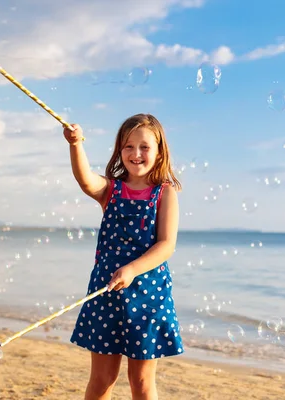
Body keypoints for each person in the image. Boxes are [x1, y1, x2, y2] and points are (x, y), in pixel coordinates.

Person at [63, 114, 184, 400]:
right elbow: (85, 180)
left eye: (144, 147)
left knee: (141, 382)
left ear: (159, 151)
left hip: (148, 295)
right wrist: (76, 144)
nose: (136, 153)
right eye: (128, 146)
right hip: (106, 293)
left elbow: (166, 245)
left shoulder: (164, 193)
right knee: (102, 378)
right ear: (119, 151)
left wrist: (132, 269)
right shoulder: (111, 190)